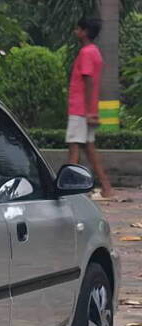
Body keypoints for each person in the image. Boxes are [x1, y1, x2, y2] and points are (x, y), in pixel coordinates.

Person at [66, 18, 113, 199]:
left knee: (74, 148)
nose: (75, 31)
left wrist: (87, 111)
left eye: (78, 28)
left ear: (84, 32)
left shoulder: (86, 53)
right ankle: (107, 187)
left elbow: (87, 81)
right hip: (87, 108)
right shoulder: (95, 52)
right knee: (89, 148)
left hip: (79, 108)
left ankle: (70, 189)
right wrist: (93, 110)